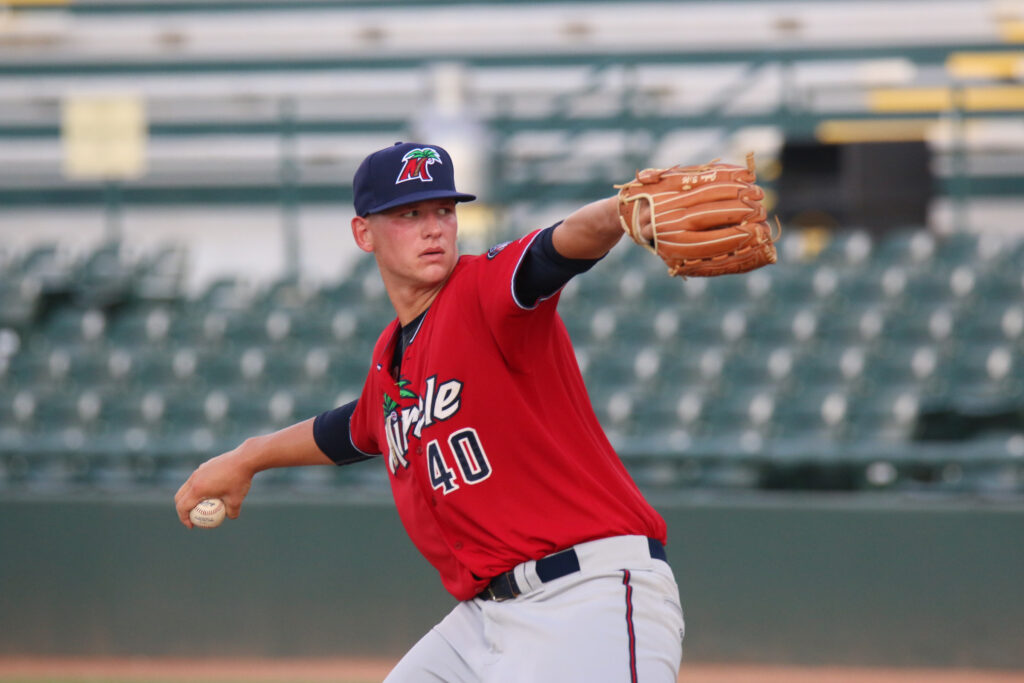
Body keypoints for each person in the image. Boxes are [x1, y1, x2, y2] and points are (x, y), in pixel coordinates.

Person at [175, 141, 685, 682]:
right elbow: (352, 429)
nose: (434, 227)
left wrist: (621, 210)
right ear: (363, 233)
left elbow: (552, 253)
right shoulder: (392, 357)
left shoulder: (484, 292)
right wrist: (248, 457)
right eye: (408, 214)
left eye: (443, 210)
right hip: (486, 617)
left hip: (587, 597)